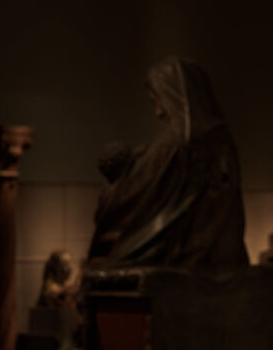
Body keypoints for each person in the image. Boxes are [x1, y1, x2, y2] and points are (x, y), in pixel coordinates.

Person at [88, 56, 248, 269]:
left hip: (183, 254)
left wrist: (113, 191)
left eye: (157, 101)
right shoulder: (222, 137)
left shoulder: (174, 141)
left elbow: (136, 196)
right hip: (223, 255)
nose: (158, 112)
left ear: (172, 96)